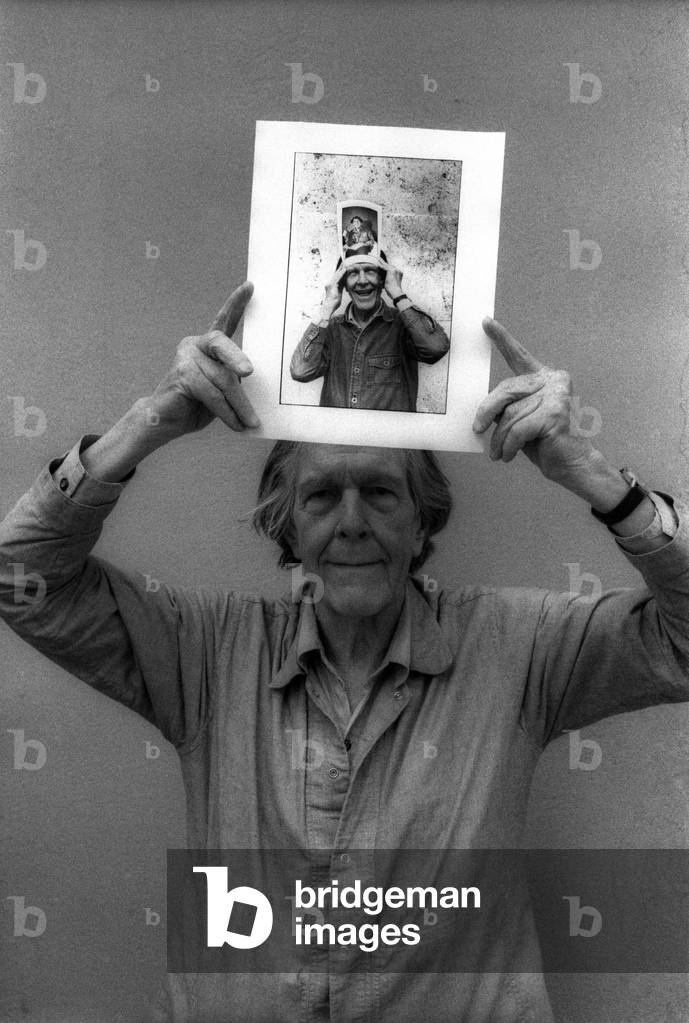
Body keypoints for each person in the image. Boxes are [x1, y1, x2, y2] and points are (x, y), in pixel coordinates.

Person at [0, 281, 687, 1023]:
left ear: (424, 521)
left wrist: (591, 476)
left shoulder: (518, 647)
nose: (352, 522)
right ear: (285, 525)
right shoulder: (201, 649)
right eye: (321, 496)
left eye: (382, 493)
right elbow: (20, 578)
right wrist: (146, 424)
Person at [289, 257, 450, 411]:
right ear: (343, 283)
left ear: (383, 279)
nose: (362, 280)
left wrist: (398, 294)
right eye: (352, 273)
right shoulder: (329, 329)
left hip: (390, 438)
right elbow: (300, 372)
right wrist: (327, 308)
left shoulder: (405, 326)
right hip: (337, 436)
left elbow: (436, 349)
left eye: (370, 271)